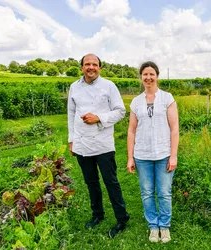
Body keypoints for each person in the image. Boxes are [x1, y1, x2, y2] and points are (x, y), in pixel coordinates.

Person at [67, 53, 129, 238]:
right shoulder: (74, 87)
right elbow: (70, 114)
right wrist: (72, 140)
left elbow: (121, 111)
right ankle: (97, 215)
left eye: (94, 64)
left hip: (103, 144)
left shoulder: (109, 86)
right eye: (87, 64)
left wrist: (99, 118)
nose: (91, 67)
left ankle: (122, 218)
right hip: (82, 144)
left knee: (111, 182)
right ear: (82, 67)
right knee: (91, 182)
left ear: (100, 68)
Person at [127, 61, 179, 243]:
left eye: (151, 74)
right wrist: (130, 157)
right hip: (142, 155)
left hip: (163, 153)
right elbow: (131, 131)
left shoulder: (167, 98)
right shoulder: (135, 102)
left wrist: (173, 155)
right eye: (145, 74)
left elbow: (174, 129)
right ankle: (153, 225)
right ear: (141, 77)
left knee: (164, 192)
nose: (148, 78)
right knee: (147, 192)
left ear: (157, 76)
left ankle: (164, 226)